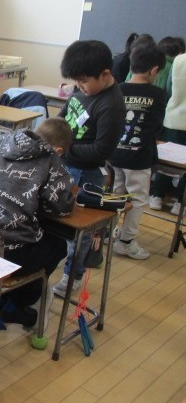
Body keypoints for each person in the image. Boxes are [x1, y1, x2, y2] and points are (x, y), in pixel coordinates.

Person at [0, 118, 75, 327]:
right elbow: (60, 207)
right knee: (57, 246)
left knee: (33, 240)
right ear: (58, 150)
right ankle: (17, 303)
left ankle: (8, 298)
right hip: (4, 252)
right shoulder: (50, 160)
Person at [52, 40, 126, 297]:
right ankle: (56, 261)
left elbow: (101, 151)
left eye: (83, 81)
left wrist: (63, 149)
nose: (79, 86)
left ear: (105, 74)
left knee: (80, 233)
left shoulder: (111, 105)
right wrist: (50, 136)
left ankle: (73, 275)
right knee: (56, 218)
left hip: (87, 174)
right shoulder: (82, 90)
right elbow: (62, 117)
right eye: (76, 81)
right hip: (64, 165)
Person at [109, 45, 167, 259]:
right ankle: (126, 241)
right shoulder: (158, 94)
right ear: (154, 70)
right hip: (139, 157)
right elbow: (157, 125)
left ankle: (108, 232)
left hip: (113, 154)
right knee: (138, 199)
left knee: (114, 195)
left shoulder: (117, 89)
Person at [149, 52, 186, 215]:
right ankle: (181, 202)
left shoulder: (179, 60)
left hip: (174, 118)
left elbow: (169, 89)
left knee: (167, 159)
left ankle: (157, 196)